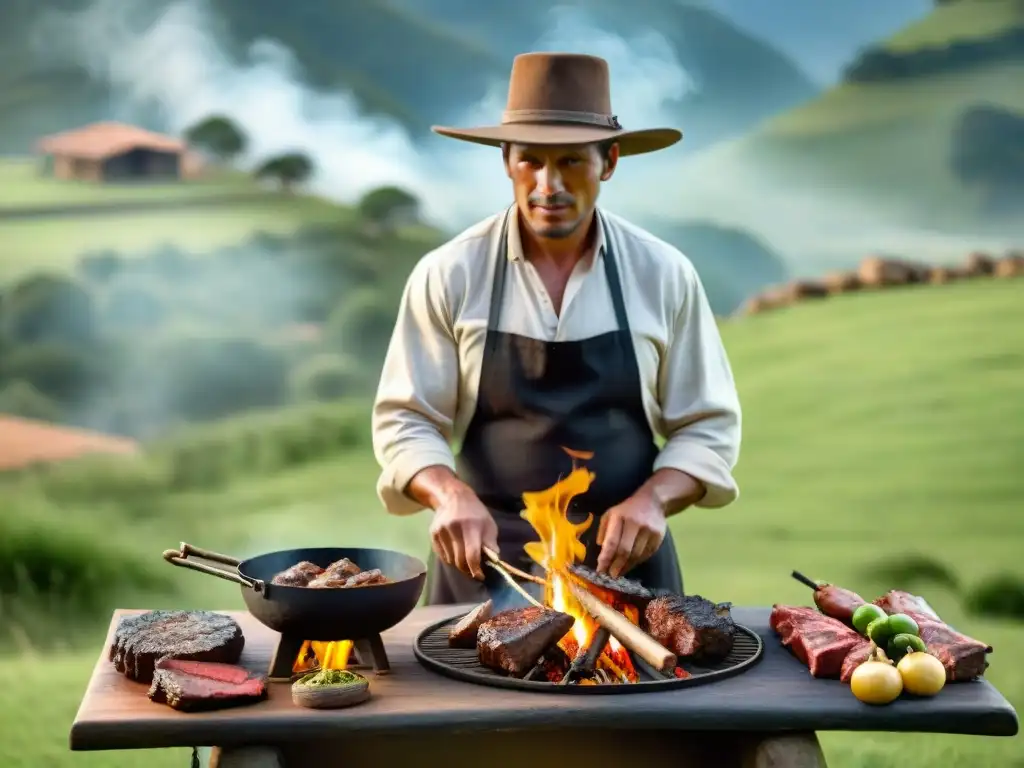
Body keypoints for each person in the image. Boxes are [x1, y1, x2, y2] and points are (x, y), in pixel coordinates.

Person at [372, 52, 742, 606]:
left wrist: (654, 501)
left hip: (627, 570)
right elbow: (407, 419)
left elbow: (707, 427)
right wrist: (448, 495)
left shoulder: (662, 274)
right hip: (486, 563)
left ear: (609, 162)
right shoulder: (449, 273)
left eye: (571, 161)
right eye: (531, 162)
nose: (549, 185)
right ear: (506, 160)